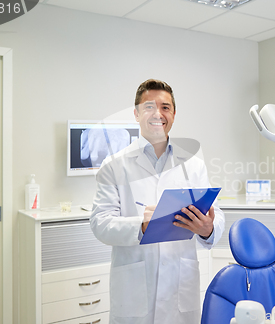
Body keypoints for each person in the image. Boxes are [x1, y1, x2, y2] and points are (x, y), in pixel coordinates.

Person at [90, 79, 225, 324]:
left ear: (173, 114)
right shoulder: (115, 165)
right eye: (149, 106)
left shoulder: (193, 164)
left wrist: (208, 229)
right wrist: (140, 226)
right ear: (136, 113)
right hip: (134, 291)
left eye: (165, 107)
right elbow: (100, 223)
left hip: (180, 286)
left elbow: (215, 212)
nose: (158, 114)